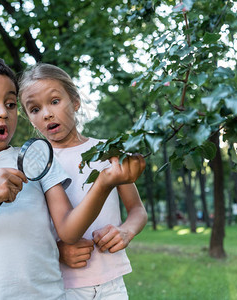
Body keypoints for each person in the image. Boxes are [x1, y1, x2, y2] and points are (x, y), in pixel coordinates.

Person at [0, 57, 145, 300]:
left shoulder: (38, 158)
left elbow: (69, 231)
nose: (3, 113)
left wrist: (103, 183)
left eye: (10, 104)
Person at [19, 63, 148, 300]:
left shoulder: (107, 151)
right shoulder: (34, 165)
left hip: (113, 285)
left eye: (55, 101)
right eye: (34, 109)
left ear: (75, 101)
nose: (46, 113)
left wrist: (126, 231)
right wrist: (56, 251)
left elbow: (137, 209)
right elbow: (26, 233)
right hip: (60, 286)